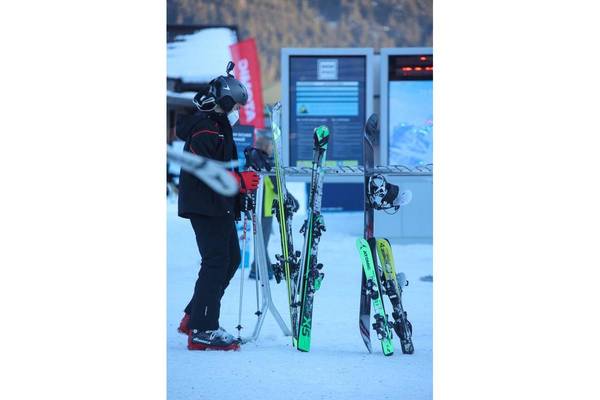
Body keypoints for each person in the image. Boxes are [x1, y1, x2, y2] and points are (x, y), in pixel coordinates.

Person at [174, 62, 259, 351]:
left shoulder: (217, 127)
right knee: (216, 261)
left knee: (231, 258)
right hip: (205, 204)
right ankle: (203, 329)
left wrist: (240, 185)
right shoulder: (205, 128)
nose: (238, 111)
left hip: (218, 205)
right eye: (236, 105)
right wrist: (239, 180)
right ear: (224, 101)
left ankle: (195, 316)